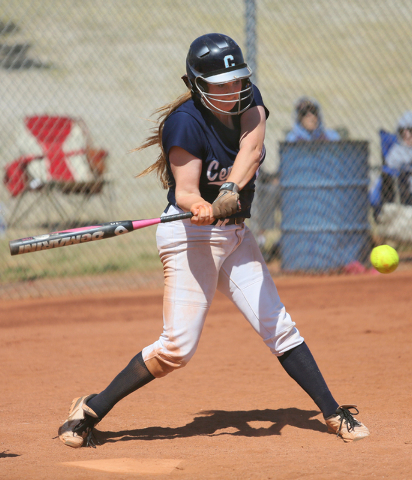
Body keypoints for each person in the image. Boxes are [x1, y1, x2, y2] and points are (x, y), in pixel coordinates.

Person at [58, 33, 369, 448]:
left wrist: (227, 193)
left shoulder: (249, 98)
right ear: (195, 86)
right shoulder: (184, 123)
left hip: (236, 235)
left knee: (277, 325)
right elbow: (186, 191)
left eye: (238, 80)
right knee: (177, 350)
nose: (232, 91)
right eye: (220, 85)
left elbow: (252, 151)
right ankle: (91, 409)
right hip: (189, 236)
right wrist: (199, 205)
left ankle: (334, 414)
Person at [385, 111, 412, 205]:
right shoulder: (397, 150)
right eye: (403, 132)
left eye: (410, 131)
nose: (407, 135)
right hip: (405, 183)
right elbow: (390, 163)